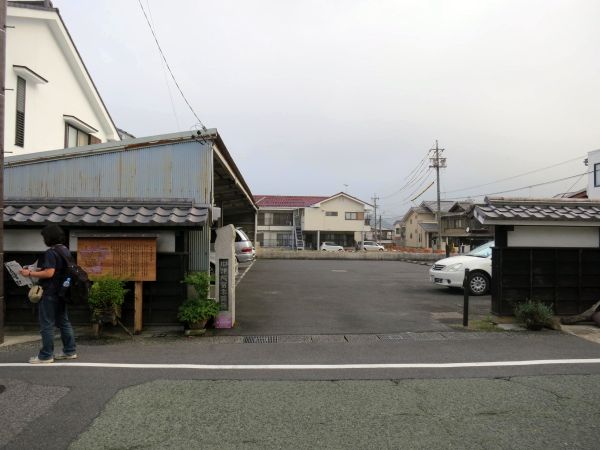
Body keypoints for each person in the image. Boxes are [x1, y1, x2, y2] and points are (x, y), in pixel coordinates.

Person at [20, 224, 77, 364]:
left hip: (50, 292)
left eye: (44, 236)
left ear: (49, 237)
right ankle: (70, 351)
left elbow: (49, 272)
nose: (44, 239)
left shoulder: (51, 252)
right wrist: (36, 268)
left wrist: (29, 273)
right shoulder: (64, 250)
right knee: (63, 322)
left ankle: (46, 355)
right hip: (62, 292)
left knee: (47, 324)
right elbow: (55, 269)